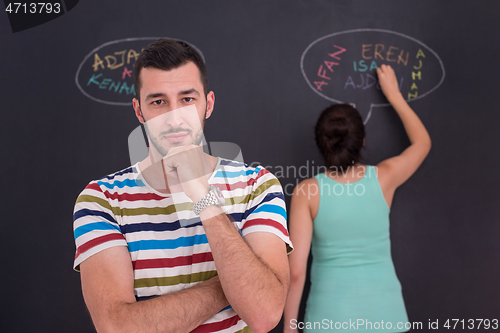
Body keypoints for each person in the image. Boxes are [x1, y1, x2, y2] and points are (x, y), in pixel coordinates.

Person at [73, 38, 292, 333]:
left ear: (208, 104)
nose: (174, 118)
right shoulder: (102, 200)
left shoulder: (257, 185)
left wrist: (202, 196)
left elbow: (265, 313)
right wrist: (231, 285)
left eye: (187, 99)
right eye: (158, 102)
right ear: (139, 111)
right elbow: (116, 327)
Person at [283, 64, 431, 332]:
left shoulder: (307, 192)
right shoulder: (384, 178)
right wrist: (394, 94)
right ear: (361, 142)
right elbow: (422, 143)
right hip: (387, 317)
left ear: (321, 143)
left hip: (328, 320)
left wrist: (290, 328)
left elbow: (295, 274)